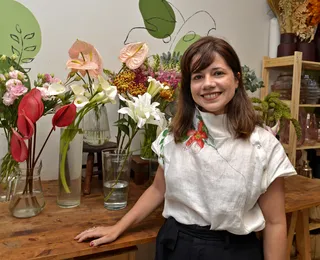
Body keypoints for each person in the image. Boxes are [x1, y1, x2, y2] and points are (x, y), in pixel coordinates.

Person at [74, 36, 296, 260]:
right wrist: (118, 227)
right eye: (198, 76)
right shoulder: (173, 137)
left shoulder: (263, 144)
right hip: (178, 247)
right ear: (189, 86)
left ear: (237, 79)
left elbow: (275, 222)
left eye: (218, 73)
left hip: (235, 251)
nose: (208, 83)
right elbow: (158, 189)